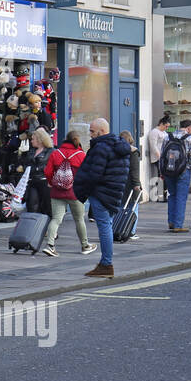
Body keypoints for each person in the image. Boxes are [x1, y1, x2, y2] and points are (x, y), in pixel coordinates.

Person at [73, 118, 131, 278]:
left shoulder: (101, 147)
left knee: (104, 228)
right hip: (114, 193)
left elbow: (94, 174)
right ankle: (105, 263)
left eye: (92, 131)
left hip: (101, 193)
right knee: (107, 226)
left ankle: (106, 264)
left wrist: (83, 191)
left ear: (102, 131)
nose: (90, 134)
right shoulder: (120, 146)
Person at [42, 131, 94, 257]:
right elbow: (87, 175)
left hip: (57, 192)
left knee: (56, 219)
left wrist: (51, 182)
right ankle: (85, 245)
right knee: (79, 219)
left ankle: (50, 245)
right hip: (75, 193)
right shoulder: (81, 155)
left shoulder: (56, 153)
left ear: (65, 140)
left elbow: (48, 172)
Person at [158, 118, 191, 231]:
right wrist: (188, 168)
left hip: (169, 170)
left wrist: (162, 171)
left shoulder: (168, 137)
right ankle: (178, 225)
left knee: (172, 195)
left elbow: (162, 155)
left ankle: (171, 221)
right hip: (183, 171)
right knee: (181, 197)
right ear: (189, 128)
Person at [22, 128, 54, 218]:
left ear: (39, 140)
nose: (31, 141)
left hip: (45, 182)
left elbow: (54, 166)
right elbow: (26, 165)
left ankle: (49, 229)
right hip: (33, 181)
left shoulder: (51, 151)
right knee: (32, 205)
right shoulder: (31, 151)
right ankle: (34, 228)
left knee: (47, 207)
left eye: (33, 139)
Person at [119, 129, 142, 239]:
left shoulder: (117, 151)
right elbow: (135, 170)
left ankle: (119, 227)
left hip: (120, 182)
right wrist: (137, 184)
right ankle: (131, 231)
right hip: (131, 183)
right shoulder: (133, 152)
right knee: (133, 207)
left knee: (120, 207)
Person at [146, 115, 171, 202]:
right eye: (166, 126)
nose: (167, 128)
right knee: (160, 176)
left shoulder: (165, 133)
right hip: (158, 158)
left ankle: (164, 194)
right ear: (161, 124)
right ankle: (160, 196)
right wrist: (159, 156)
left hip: (164, 157)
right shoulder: (155, 132)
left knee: (164, 176)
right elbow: (153, 145)